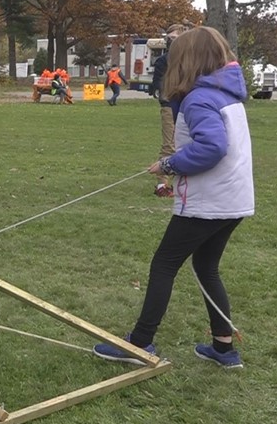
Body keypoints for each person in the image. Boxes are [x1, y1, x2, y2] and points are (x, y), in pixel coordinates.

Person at [93, 26, 252, 369]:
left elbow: (212, 147)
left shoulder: (200, 98)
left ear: (187, 59)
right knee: (206, 265)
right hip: (233, 200)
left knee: (164, 263)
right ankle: (224, 349)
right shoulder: (226, 94)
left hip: (209, 200)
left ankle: (139, 343)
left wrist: (170, 163)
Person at [149, 24, 188, 196]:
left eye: (175, 39)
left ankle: (186, 182)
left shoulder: (191, 60)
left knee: (188, 144)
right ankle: (162, 186)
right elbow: (157, 85)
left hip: (189, 107)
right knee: (169, 145)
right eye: (170, 39)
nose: (172, 42)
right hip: (170, 107)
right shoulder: (163, 61)